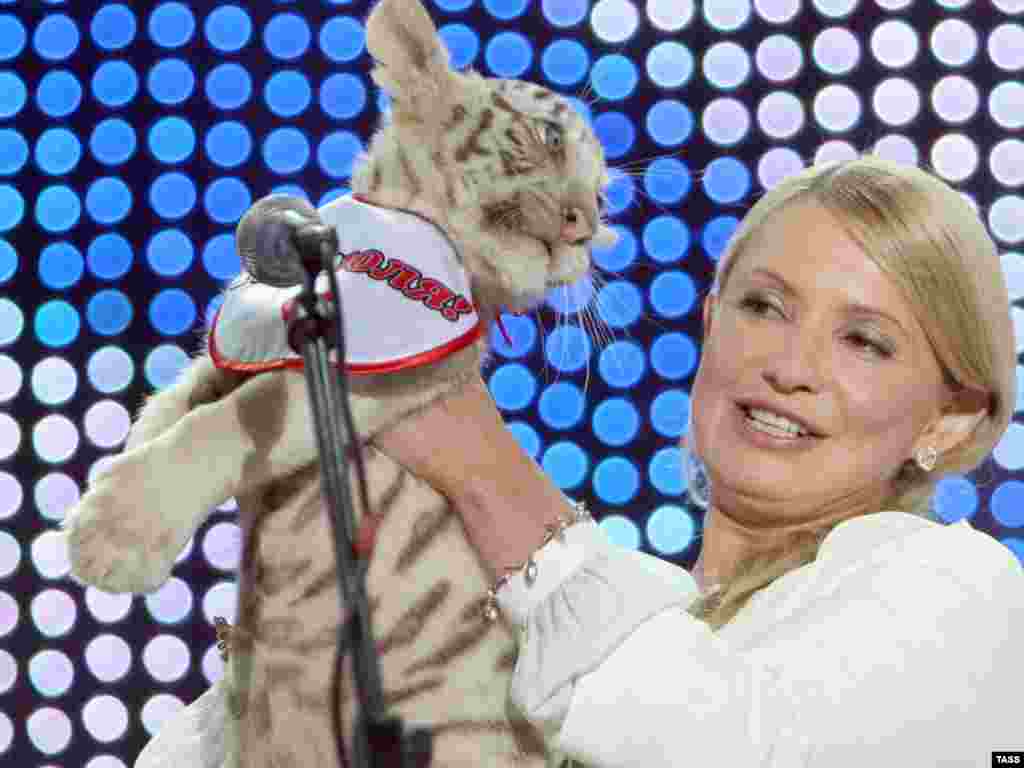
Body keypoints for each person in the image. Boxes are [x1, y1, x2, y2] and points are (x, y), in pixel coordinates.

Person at [374, 155, 1023, 766]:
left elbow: (730, 747)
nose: (790, 367)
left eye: (864, 341)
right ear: (711, 325)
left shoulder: (969, 594)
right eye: (764, 307)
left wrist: (479, 461)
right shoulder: (656, 614)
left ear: (952, 416)